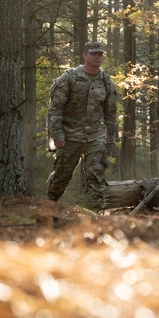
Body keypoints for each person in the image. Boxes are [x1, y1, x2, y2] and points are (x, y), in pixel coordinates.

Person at [46, 41, 118, 210]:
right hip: (69, 135)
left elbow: (111, 114)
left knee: (96, 174)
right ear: (84, 55)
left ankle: (94, 214)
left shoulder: (106, 82)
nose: (97, 57)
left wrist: (110, 139)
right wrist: (57, 135)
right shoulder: (69, 78)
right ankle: (48, 207)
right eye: (94, 54)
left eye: (100, 54)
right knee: (62, 175)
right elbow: (55, 109)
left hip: (96, 135)